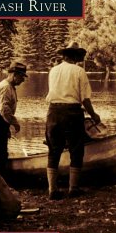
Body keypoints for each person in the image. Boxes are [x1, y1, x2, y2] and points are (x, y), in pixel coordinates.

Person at [45, 42, 101, 200]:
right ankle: (73, 189)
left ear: (64, 55)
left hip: (53, 112)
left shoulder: (53, 71)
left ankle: (52, 190)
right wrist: (94, 115)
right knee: (76, 150)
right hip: (72, 114)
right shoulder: (79, 71)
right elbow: (85, 99)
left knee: (53, 151)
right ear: (75, 56)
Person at [0, 62, 27, 178]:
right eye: (21, 76)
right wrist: (15, 123)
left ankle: (0, 180)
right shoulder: (5, 87)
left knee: (1, 154)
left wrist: (7, 127)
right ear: (14, 74)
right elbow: (4, 110)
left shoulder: (10, 87)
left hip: (0, 120)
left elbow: (4, 112)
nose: (23, 80)